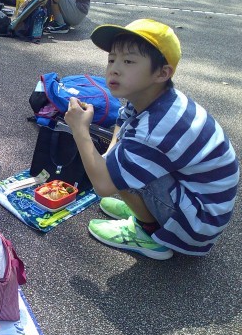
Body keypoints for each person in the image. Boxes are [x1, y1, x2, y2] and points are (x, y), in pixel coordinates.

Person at [64, 19, 239, 260]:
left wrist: (79, 129)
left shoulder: (157, 127)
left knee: (120, 170)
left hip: (197, 224)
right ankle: (146, 209)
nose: (114, 69)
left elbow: (103, 186)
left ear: (162, 73)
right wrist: (109, 160)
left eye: (128, 61)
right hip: (199, 201)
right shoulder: (156, 98)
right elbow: (121, 122)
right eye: (112, 59)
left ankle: (147, 232)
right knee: (120, 161)